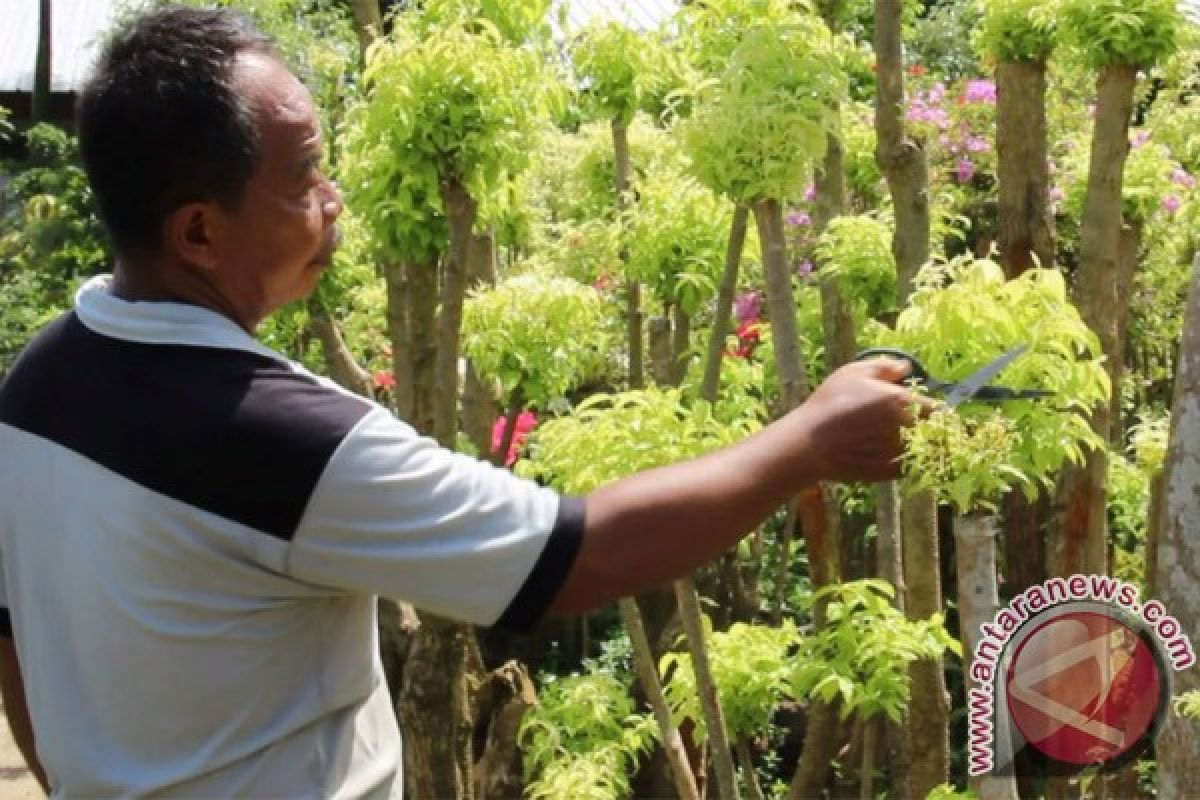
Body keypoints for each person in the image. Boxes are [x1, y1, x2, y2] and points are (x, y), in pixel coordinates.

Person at [0, 6, 926, 798]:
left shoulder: (38, 383)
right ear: (199, 231)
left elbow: (15, 647)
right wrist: (809, 440)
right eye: (304, 181)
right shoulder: (272, 440)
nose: (335, 201)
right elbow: (575, 557)